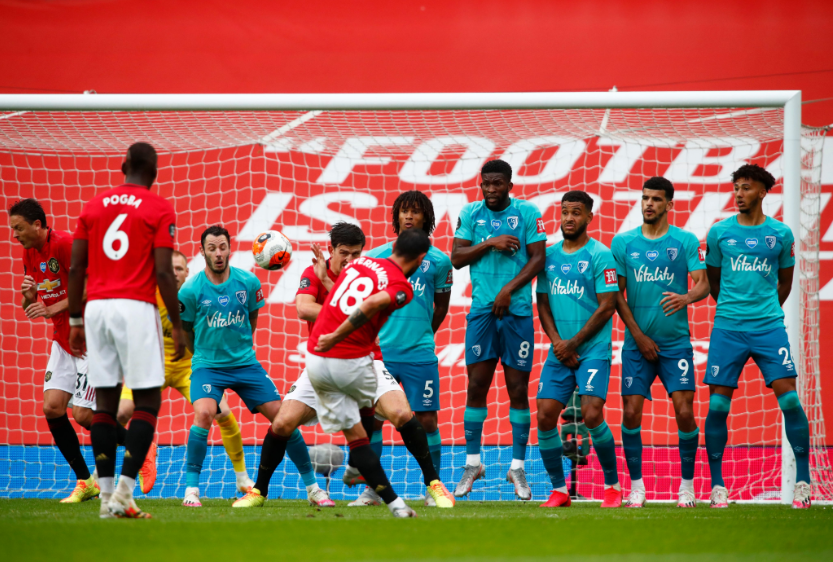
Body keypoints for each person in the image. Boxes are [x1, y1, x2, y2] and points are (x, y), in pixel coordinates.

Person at [233, 224, 454, 510]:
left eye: (356, 253)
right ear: (331, 251)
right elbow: (303, 308)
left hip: (366, 359)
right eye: (344, 253)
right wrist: (338, 309)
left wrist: (335, 315)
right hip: (324, 360)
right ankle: (259, 491)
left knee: (401, 414)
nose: (350, 259)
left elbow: (355, 305)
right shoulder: (317, 272)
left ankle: (433, 484)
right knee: (282, 423)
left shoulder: (363, 270)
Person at [68, 142, 184, 518]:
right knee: (148, 402)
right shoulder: (158, 207)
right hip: (135, 307)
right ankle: (124, 494)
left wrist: (74, 319)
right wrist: (178, 325)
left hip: (97, 309)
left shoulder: (93, 206)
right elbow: (164, 272)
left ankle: (104, 499)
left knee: (104, 403)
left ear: (123, 166)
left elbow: (75, 269)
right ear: (153, 172)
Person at [177, 225, 329, 507]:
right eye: (212, 249)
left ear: (230, 249)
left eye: (223, 247)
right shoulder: (190, 290)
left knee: (283, 419)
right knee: (205, 414)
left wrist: (239, 351)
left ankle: (313, 489)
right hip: (207, 366)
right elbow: (187, 333)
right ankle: (191, 490)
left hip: (245, 364)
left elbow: (252, 322)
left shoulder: (248, 283)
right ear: (203, 252)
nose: (218, 253)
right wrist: (203, 356)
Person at [704, 164, 811, 509]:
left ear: (763, 192)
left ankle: (803, 482)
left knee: (790, 401)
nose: (739, 194)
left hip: (768, 328)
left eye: (746, 188)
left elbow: (785, 283)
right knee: (718, 406)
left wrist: (763, 312)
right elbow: (715, 283)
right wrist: (736, 311)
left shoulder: (781, 234)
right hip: (727, 329)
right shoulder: (719, 233)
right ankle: (718, 486)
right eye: (736, 187)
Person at [117, 250, 252, 495]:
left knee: (222, 413)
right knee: (121, 413)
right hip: (151, 364)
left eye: (179, 269)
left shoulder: (196, 293)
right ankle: (141, 449)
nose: (174, 273)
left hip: (189, 367)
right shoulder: (147, 295)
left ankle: (242, 477)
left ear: (187, 272)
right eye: (169, 269)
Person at [450, 159, 546, 500]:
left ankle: (517, 467)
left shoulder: (527, 212)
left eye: (497, 183)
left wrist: (509, 289)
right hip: (481, 313)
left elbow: (538, 258)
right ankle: (472, 463)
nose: (490, 189)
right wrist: (490, 243)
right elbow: (457, 257)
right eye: (485, 183)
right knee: (476, 385)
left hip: (518, 312)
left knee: (518, 389)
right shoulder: (471, 213)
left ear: (509, 184)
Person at [611, 177, 710, 508]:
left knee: (684, 411)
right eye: (644, 198)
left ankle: (687, 486)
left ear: (669, 205)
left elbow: (703, 283)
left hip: (676, 344)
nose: (648, 204)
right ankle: (636, 487)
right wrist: (638, 336)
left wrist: (686, 297)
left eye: (656, 199)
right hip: (637, 346)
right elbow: (616, 295)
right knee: (630, 412)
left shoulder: (684, 241)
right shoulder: (623, 242)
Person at [10, 198, 109, 502]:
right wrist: (28, 297)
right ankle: (85, 482)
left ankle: (140, 444)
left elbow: (94, 284)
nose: (14, 234)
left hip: (88, 336)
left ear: (37, 225)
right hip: (62, 338)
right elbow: (33, 301)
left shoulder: (66, 245)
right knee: (52, 408)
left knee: (83, 415)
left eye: (19, 228)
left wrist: (51, 305)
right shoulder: (29, 253)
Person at [360, 191, 451, 505]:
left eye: (415, 212)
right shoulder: (376, 256)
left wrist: (423, 332)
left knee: (426, 420)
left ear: (426, 217)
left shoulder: (439, 261)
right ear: (396, 217)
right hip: (380, 352)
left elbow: (441, 306)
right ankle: (374, 489)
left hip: (419, 353)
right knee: (372, 419)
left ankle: (433, 487)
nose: (409, 216)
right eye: (404, 212)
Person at [536, 191, 621, 508]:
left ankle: (612, 487)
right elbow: (542, 302)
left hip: (592, 350)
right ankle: (559, 491)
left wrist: (573, 343)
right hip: (560, 350)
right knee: (545, 416)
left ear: (589, 217)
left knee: (591, 413)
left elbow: (607, 306)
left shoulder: (601, 255)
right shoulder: (549, 256)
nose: (569, 218)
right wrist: (559, 342)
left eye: (576, 213)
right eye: (565, 212)